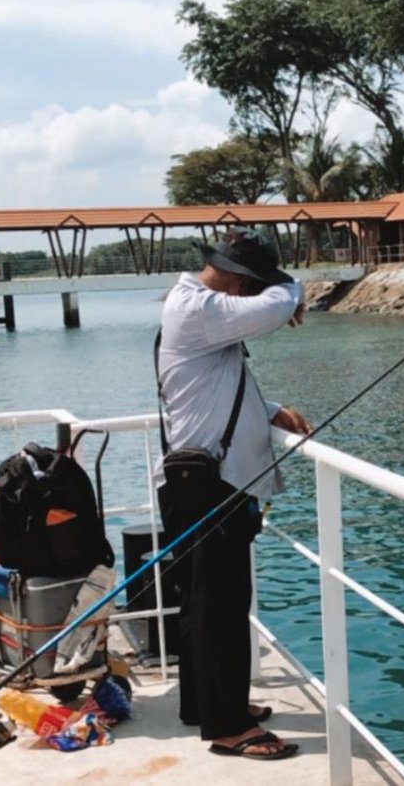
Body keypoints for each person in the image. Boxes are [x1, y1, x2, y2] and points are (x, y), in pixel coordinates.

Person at [155, 227, 312, 761]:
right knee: (216, 605)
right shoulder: (197, 309)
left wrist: (271, 413)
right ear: (239, 281)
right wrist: (292, 290)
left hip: (207, 483)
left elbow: (209, 393)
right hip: (205, 488)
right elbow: (275, 307)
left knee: (211, 603)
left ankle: (209, 704)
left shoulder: (201, 311)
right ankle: (227, 728)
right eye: (256, 283)